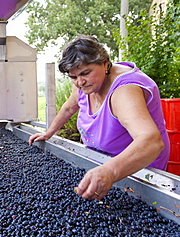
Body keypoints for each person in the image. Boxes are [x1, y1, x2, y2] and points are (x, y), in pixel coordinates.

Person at [29, 34, 170, 200]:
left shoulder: (123, 91)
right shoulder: (84, 83)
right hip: (102, 164)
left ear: (105, 63)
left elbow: (151, 141)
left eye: (85, 73)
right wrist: (49, 132)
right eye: (73, 77)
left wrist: (110, 170)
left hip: (138, 169)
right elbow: (69, 107)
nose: (79, 82)